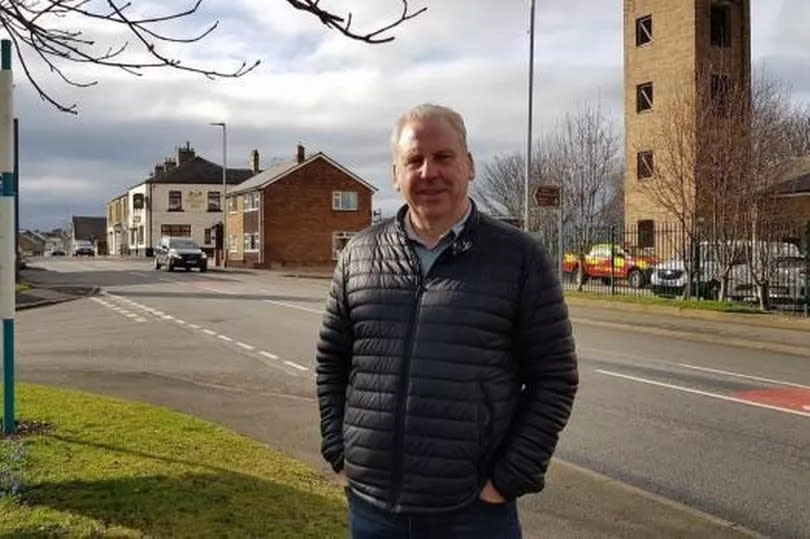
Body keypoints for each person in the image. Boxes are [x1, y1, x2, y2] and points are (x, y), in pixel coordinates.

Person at [316, 103, 578, 538]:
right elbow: (331, 362)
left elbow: (555, 378)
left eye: (443, 157)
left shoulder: (519, 258)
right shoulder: (358, 255)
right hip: (373, 508)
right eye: (414, 161)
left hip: (473, 512)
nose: (428, 172)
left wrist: (509, 478)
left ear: (469, 165)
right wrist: (339, 453)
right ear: (396, 174)